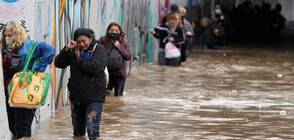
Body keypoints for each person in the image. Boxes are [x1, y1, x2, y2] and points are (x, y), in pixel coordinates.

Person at [0, 21, 54, 139]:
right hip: (10, 93)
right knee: (12, 127)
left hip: (26, 90)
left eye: (10, 35)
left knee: (22, 129)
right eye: (5, 35)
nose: (7, 38)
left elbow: (49, 50)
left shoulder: (29, 45)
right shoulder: (5, 48)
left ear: (17, 34)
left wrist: (38, 68)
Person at [55, 28, 106, 139]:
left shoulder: (99, 50)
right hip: (77, 97)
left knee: (92, 130)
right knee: (78, 134)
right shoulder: (74, 50)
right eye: (78, 42)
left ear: (90, 39)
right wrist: (66, 49)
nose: (82, 44)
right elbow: (58, 63)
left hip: (94, 97)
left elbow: (93, 67)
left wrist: (79, 58)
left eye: (84, 41)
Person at [96, 22, 131, 97]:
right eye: (112, 30)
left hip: (119, 74)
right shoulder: (103, 40)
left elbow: (128, 57)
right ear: (108, 31)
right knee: (104, 96)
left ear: (120, 31)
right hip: (106, 74)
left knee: (118, 96)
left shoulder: (123, 42)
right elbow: (93, 46)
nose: (114, 32)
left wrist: (119, 46)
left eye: (116, 30)